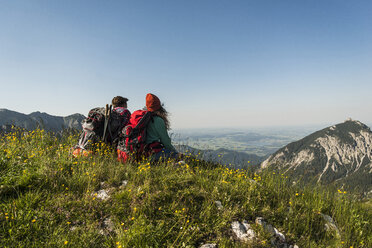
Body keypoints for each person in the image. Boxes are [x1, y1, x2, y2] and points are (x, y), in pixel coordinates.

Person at [145, 93, 179, 162]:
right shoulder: (157, 120)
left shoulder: (144, 118)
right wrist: (176, 153)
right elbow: (166, 142)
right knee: (183, 158)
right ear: (159, 107)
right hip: (153, 154)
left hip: (142, 154)